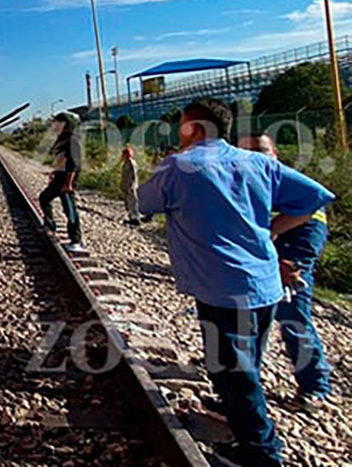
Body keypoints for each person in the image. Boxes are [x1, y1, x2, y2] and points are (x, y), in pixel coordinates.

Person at [138, 98, 334, 467]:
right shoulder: (258, 163)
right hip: (263, 286)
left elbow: (143, 203)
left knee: (232, 374)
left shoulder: (178, 167)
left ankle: (260, 454)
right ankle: (239, 419)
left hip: (219, 289)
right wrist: (271, 230)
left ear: (193, 127)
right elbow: (315, 198)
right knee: (246, 367)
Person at [237, 133, 333, 413]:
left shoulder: (288, 183)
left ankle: (315, 388)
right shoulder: (244, 184)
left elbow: (315, 222)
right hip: (257, 260)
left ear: (275, 152)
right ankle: (243, 386)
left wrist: (292, 261)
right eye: (247, 153)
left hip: (289, 259)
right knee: (249, 324)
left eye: (261, 150)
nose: (255, 157)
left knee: (293, 320)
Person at [38, 113, 84, 252]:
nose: (53, 125)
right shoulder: (61, 139)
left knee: (69, 209)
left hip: (66, 181)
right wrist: (54, 172)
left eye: (56, 122)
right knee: (44, 198)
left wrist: (69, 184)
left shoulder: (73, 140)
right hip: (59, 178)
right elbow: (60, 159)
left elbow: (74, 164)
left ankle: (76, 241)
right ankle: (50, 226)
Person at [121, 145, 142, 226]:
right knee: (128, 202)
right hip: (126, 185)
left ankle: (136, 218)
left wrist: (131, 185)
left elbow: (133, 175)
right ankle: (131, 217)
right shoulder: (125, 163)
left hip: (131, 186)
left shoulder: (131, 163)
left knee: (133, 202)